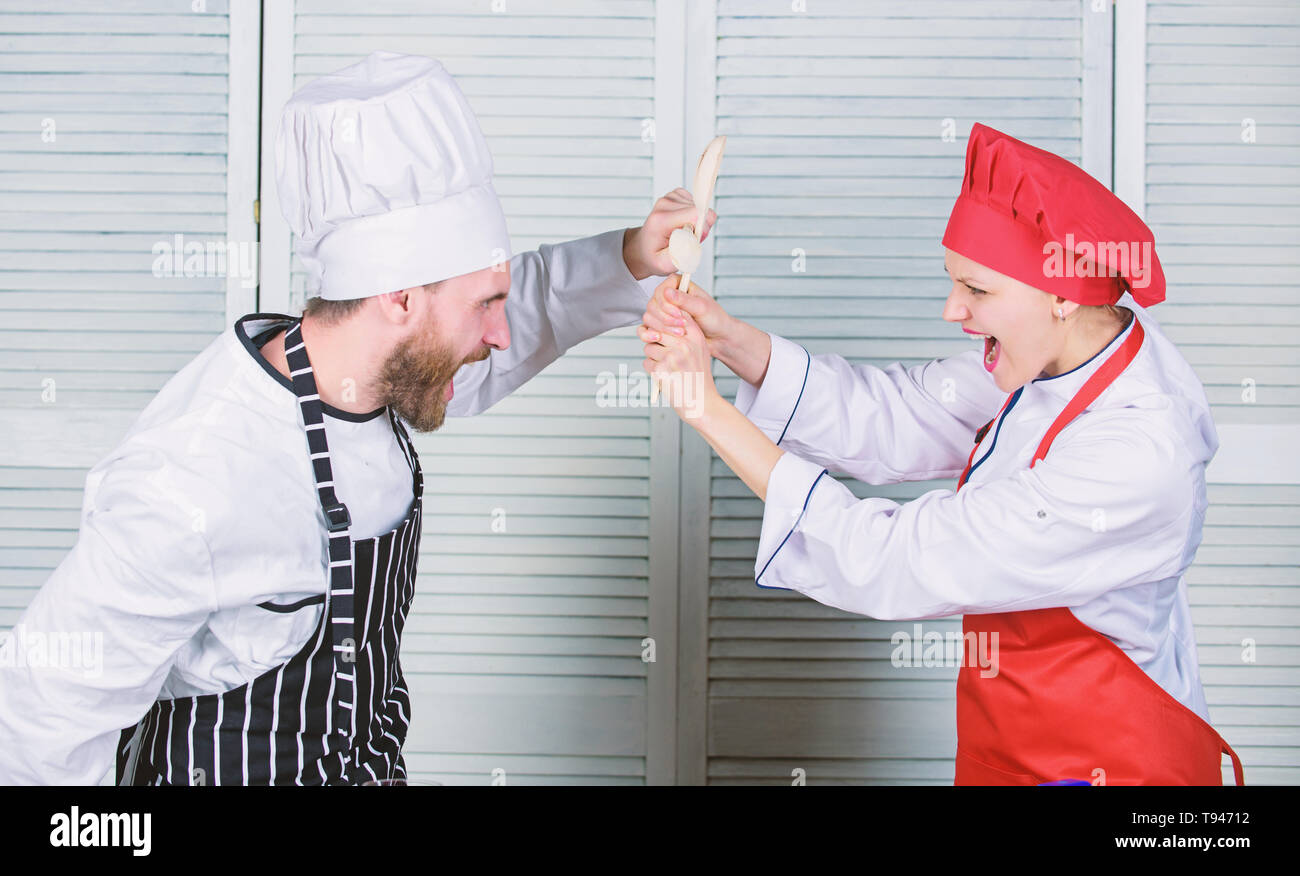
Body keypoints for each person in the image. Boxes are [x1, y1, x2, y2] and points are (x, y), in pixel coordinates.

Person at [0, 51, 713, 786]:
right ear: (398, 297)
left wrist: (632, 257)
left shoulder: (380, 371)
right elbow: (41, 712)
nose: (500, 334)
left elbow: (518, 311)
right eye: (483, 306)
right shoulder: (197, 475)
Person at [640, 123, 1243, 786]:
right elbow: (898, 414)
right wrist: (728, 340)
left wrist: (706, 409)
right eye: (954, 282)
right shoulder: (1067, 349)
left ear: (1064, 294)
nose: (953, 309)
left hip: (1119, 766)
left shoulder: (1135, 453)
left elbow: (899, 559)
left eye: (978, 290)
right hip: (1014, 752)